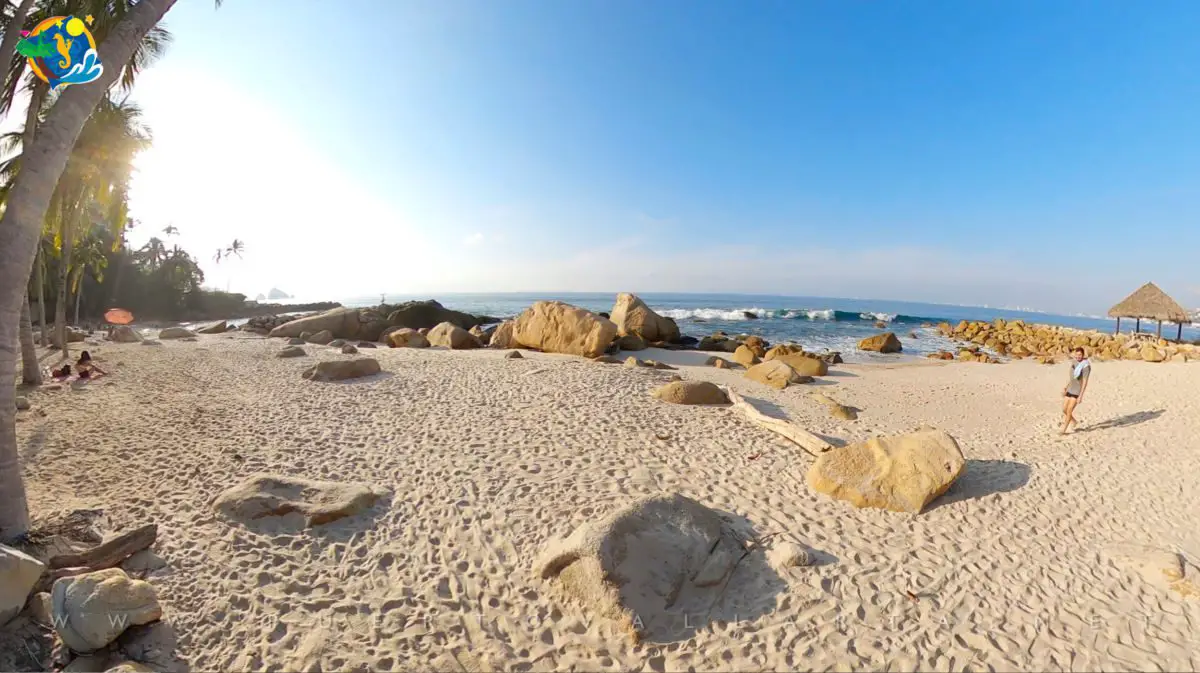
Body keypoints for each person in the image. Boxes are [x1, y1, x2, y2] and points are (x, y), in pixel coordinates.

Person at [1061, 346, 1090, 434]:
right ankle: (1074, 421)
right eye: (1076, 355)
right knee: (1064, 410)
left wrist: (1081, 396)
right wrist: (1066, 387)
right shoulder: (1074, 362)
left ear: (1083, 355)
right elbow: (1071, 377)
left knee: (1069, 410)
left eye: (1080, 355)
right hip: (1070, 389)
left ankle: (1064, 430)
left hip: (1077, 391)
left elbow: (1085, 382)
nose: (1078, 356)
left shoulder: (1086, 366)